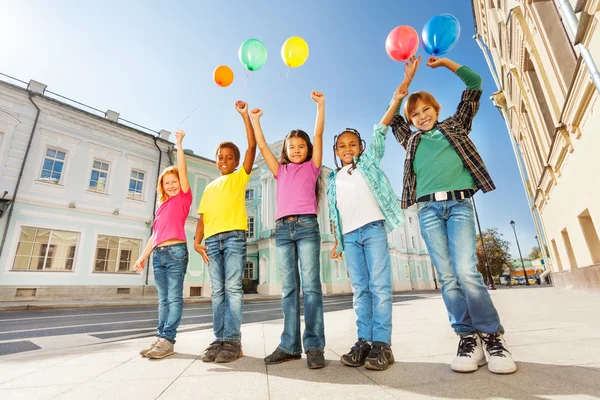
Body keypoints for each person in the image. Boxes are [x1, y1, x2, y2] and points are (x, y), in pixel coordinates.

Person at [390, 55, 517, 374]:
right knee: (447, 276)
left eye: (426, 110)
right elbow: (392, 118)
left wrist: (446, 63)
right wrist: (404, 87)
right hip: (428, 209)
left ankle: (492, 338)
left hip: (459, 205)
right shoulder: (410, 139)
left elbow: (475, 84)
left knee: (466, 271)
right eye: (415, 114)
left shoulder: (455, 124)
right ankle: (467, 338)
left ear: (436, 109)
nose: (421, 117)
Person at [327, 82, 406, 371]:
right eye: (342, 146)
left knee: (379, 287)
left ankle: (382, 344)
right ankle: (365, 341)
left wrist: (395, 99)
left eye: (352, 144)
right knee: (360, 289)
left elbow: (380, 131)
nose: (347, 148)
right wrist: (338, 242)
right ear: (336, 151)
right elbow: (335, 214)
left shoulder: (368, 163)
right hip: (350, 236)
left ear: (360, 147)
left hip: (372, 229)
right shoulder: (334, 180)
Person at [249, 90, 326, 369]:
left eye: (300, 146)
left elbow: (318, 136)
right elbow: (263, 148)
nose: (295, 149)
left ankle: (315, 346)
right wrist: (256, 120)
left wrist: (320, 106)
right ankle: (290, 345)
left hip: (306, 227)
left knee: (312, 287)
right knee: (289, 290)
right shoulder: (279, 171)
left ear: (307, 150)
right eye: (291, 146)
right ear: (286, 149)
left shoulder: (313, 168)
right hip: (282, 231)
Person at [194, 101, 257, 363]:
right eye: (220, 156)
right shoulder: (209, 187)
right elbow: (202, 218)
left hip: (233, 237)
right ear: (215, 159)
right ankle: (219, 338)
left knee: (232, 288)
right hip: (211, 240)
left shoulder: (239, 177)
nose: (224, 160)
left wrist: (245, 117)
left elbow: (252, 146)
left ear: (237, 162)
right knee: (217, 291)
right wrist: (197, 242)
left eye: (229, 157)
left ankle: (232, 340)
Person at [135, 130, 192, 359]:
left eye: (174, 181)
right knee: (163, 299)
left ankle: (168, 339)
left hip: (176, 252)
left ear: (180, 183)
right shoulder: (161, 206)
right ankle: (160, 337)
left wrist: (178, 143)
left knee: (174, 298)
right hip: (158, 254)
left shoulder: (183, 197)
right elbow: (154, 234)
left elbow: (183, 169)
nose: (171, 185)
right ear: (162, 186)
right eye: (166, 183)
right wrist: (143, 256)